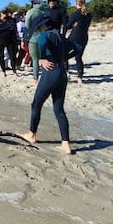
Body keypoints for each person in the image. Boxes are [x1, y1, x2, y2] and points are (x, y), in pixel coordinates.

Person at [20, 14, 72, 154]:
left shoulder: (44, 35)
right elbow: (76, 48)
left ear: (42, 25)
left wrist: (42, 58)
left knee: (36, 104)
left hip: (51, 73)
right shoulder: (61, 36)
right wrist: (63, 59)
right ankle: (66, 144)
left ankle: (31, 135)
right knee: (59, 109)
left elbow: (43, 45)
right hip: (62, 73)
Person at [65, 0, 93, 84]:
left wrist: (71, 24)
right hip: (84, 37)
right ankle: (80, 77)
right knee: (79, 57)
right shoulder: (89, 14)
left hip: (74, 37)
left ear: (76, 3)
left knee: (64, 54)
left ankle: (67, 73)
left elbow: (68, 26)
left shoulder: (76, 13)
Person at [24, 0, 48, 84]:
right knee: (45, 58)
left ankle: (35, 79)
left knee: (35, 60)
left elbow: (27, 25)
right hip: (45, 37)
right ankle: (46, 77)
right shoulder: (45, 12)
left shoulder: (30, 12)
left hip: (34, 37)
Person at [0, 9, 18, 76]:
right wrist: (7, 27)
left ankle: (14, 71)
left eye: (6, 13)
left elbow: (12, 27)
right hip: (1, 40)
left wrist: (4, 27)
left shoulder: (11, 19)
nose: (5, 14)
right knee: (1, 56)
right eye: (3, 13)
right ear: (1, 13)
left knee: (12, 56)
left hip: (10, 40)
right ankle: (3, 71)